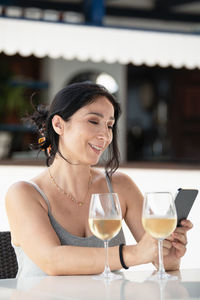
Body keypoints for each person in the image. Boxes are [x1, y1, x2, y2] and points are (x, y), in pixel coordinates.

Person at [6, 82, 192, 277]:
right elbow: (53, 261)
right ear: (59, 125)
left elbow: (156, 255)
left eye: (109, 125)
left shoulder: (121, 187)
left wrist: (168, 257)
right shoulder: (23, 194)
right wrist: (134, 254)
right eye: (93, 121)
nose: (105, 135)